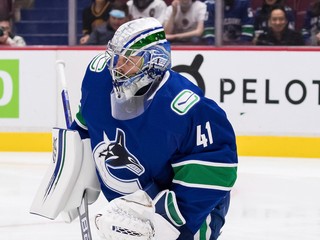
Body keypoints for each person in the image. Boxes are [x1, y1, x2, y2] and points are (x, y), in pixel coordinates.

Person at [70, 17, 238, 239]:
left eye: (128, 60)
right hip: (133, 202)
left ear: (155, 61)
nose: (117, 67)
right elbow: (84, 125)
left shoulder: (186, 107)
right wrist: (71, 168)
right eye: (117, 57)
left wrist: (167, 224)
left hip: (192, 213)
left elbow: (216, 168)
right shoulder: (99, 79)